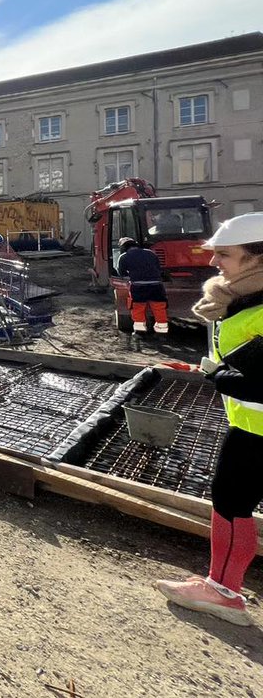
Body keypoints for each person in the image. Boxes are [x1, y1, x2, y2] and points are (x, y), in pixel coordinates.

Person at [155, 213, 263, 626]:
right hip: (248, 424)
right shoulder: (241, 297)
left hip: (257, 430)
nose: (216, 263)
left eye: (226, 255)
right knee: (233, 503)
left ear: (257, 259)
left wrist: (221, 376)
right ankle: (224, 585)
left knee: (231, 504)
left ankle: (222, 592)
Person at [115, 236, 169, 350]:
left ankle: (140, 332)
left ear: (124, 248)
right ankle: (162, 333)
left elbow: (122, 273)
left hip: (138, 286)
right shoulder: (151, 253)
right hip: (157, 285)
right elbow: (158, 268)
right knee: (159, 308)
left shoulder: (124, 257)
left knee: (138, 308)